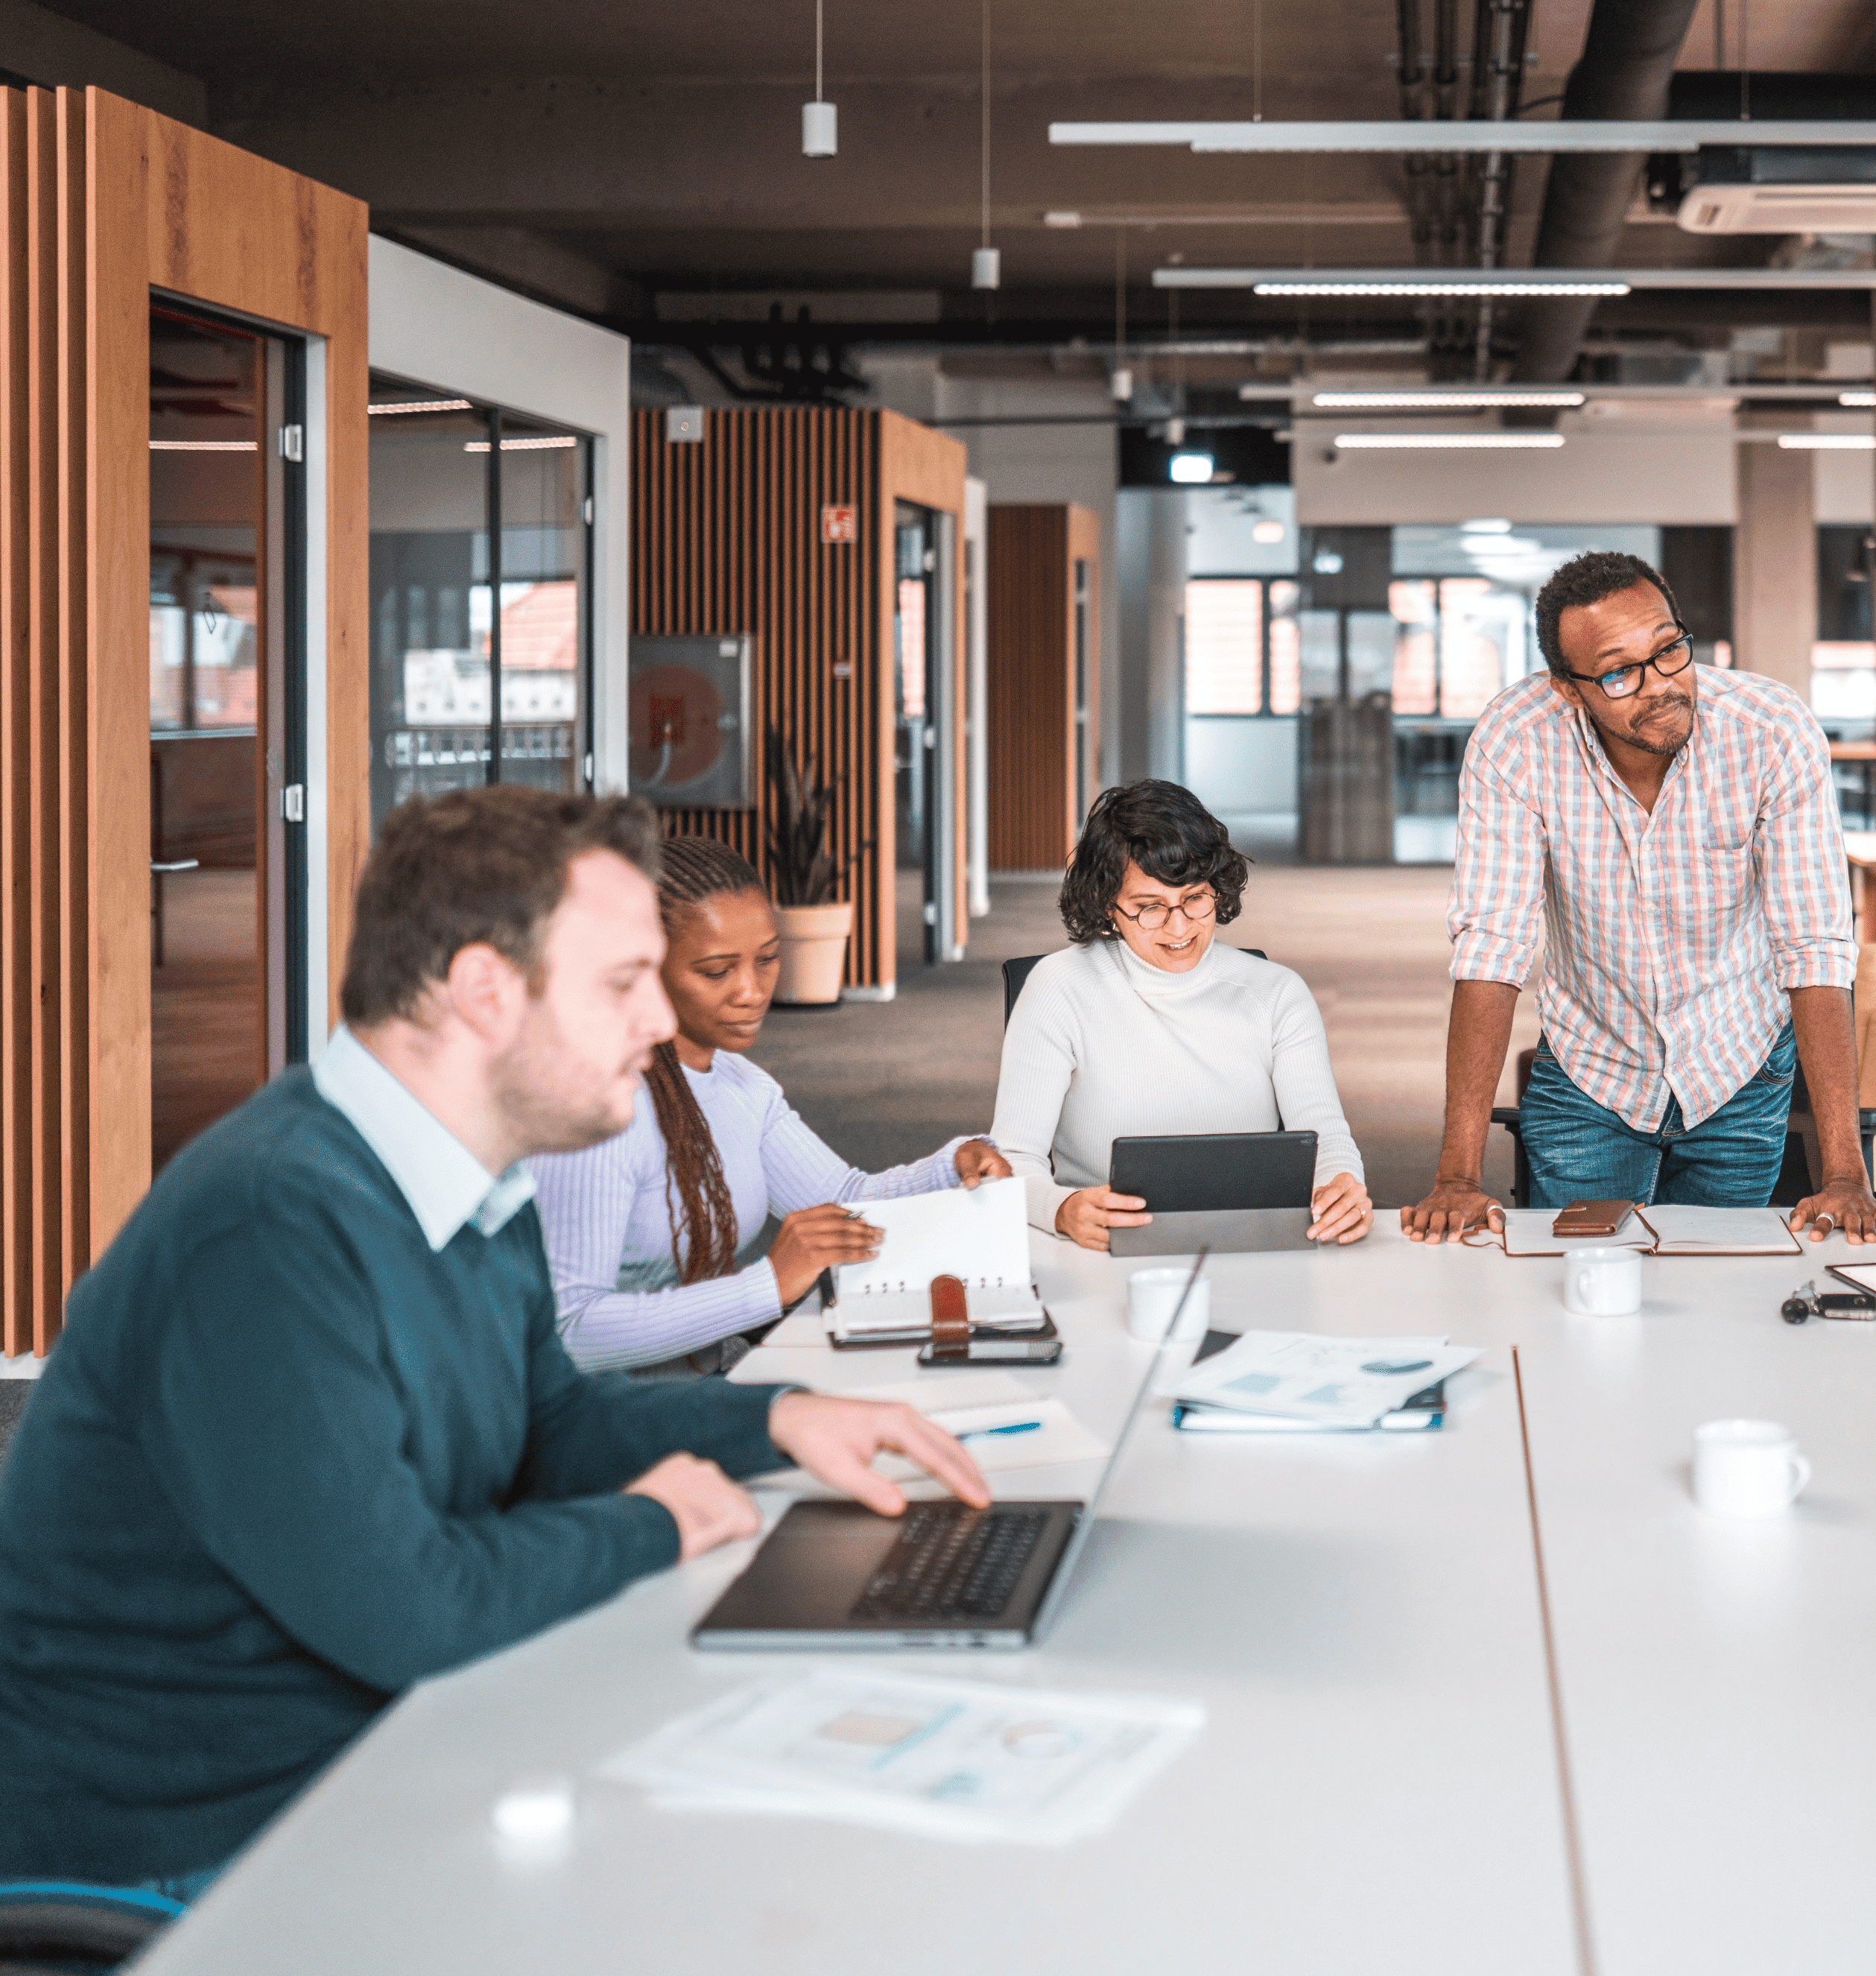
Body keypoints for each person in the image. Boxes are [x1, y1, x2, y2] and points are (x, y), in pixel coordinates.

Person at [0, 789, 988, 1892]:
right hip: (195, 1864)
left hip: (377, 1765)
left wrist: (774, 1415)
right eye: (621, 984)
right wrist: (656, 1520)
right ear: (482, 990)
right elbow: (411, 1608)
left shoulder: (476, 1173)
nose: (661, 1021)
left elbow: (549, 1416)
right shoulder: (267, 1227)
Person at [1401, 549, 1876, 1244]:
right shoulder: (1517, 741)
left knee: (1722, 1296)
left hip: (1736, 1065)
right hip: (1592, 1069)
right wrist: (1457, 1176)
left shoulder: (1771, 731)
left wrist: (1845, 1172)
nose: (1660, 685)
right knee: (1583, 1289)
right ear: (1570, 688)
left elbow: (1814, 946)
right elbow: (1493, 947)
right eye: (1620, 672)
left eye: (1669, 650)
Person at [530, 835, 1014, 1375]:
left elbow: (846, 1199)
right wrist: (768, 1283)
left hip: (704, 1389)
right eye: (717, 970)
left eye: (766, 959)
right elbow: (569, 1331)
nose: (751, 990)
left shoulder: (742, 1084)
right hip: (604, 1422)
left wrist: (952, 1165)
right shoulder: (599, 1107)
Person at [992, 779, 1369, 1250]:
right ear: (1108, 906)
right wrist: (1060, 1210)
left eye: (1194, 898)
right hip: (1101, 1249)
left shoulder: (1277, 994)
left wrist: (1340, 1187)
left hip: (1252, 1246)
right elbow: (1011, 1159)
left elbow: (1325, 1139)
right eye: (1149, 908)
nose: (1178, 928)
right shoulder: (1058, 988)